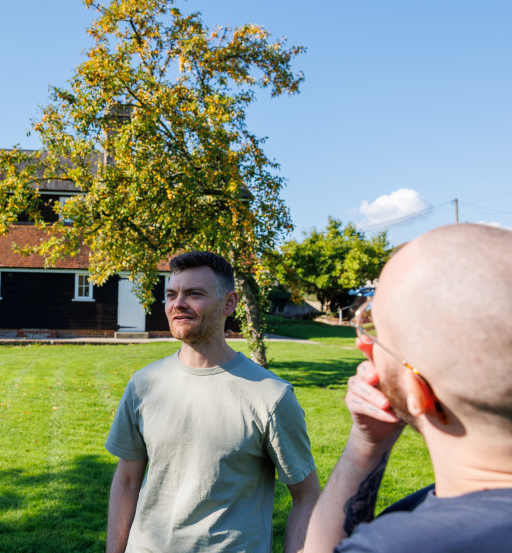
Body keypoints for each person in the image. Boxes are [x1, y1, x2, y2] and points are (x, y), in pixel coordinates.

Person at [302, 223, 512, 553]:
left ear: (418, 391)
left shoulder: (398, 545)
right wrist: (368, 439)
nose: (363, 344)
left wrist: (364, 449)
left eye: (377, 333)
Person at [105, 251, 321, 553]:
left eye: (194, 294)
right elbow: (127, 481)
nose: (178, 304)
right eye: (171, 294)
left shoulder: (271, 396)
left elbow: (307, 497)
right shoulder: (143, 384)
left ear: (229, 303)